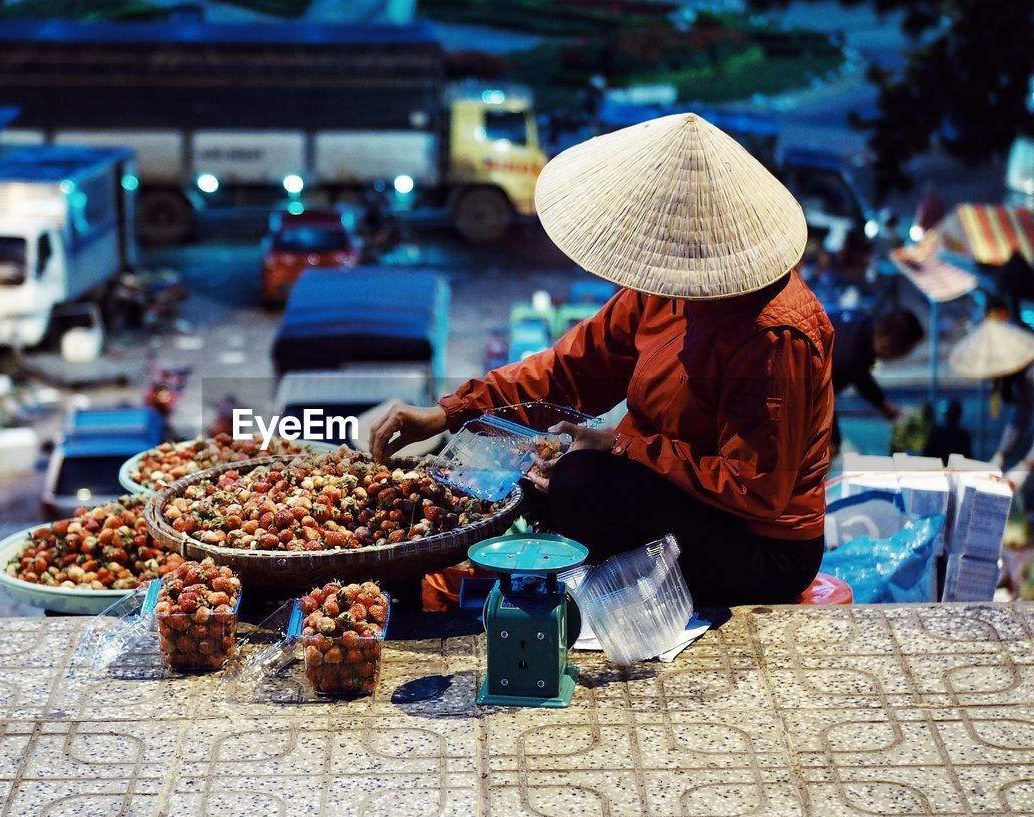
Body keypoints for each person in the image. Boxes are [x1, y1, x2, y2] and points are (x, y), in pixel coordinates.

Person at [371, 112, 835, 606]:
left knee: (579, 482)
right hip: (677, 497)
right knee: (521, 468)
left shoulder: (775, 333)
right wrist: (452, 411)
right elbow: (569, 372)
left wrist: (619, 447)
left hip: (759, 544)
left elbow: (754, 488)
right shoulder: (666, 289)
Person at [829, 308, 924, 451]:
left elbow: (860, 375)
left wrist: (882, 404)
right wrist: (833, 440)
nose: (902, 357)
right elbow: (818, 398)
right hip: (794, 390)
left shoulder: (863, 322)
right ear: (888, 344)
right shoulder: (848, 359)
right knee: (830, 448)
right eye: (904, 351)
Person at [923, 399, 972, 464]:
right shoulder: (964, 434)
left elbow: (926, 456)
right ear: (960, 414)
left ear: (946, 414)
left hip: (936, 470)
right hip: (956, 471)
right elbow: (968, 459)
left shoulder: (936, 432)